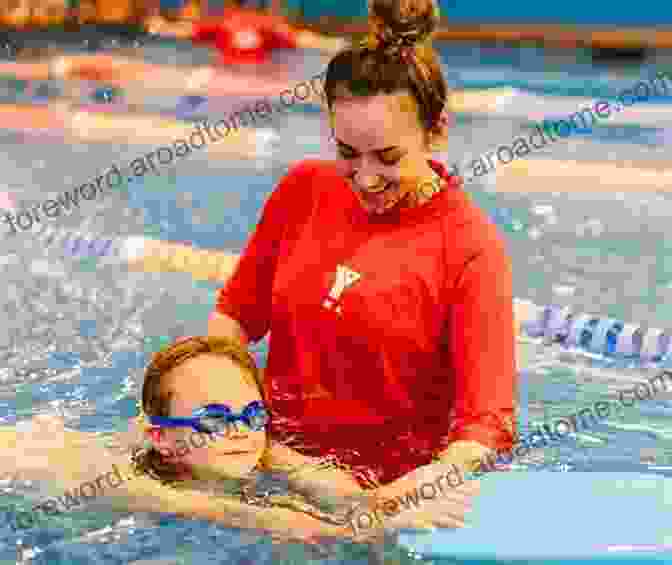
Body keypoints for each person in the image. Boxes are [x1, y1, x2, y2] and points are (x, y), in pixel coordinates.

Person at [204, 0, 516, 529]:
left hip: (380, 502)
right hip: (271, 469)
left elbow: (487, 425)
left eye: (388, 158)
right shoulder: (303, 189)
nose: (366, 178)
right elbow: (234, 318)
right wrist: (209, 402)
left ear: (436, 131)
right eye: (348, 152)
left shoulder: (470, 246)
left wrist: (426, 484)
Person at [0, 336, 477, 550]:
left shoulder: (255, 444)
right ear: (160, 440)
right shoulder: (118, 480)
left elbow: (327, 485)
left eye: (251, 414)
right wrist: (344, 532)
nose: (239, 432)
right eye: (213, 419)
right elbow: (230, 513)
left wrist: (390, 502)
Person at [145, 6, 346, 64]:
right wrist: (333, 44)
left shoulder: (222, 22)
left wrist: (162, 27)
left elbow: (187, 30)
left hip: (229, 74)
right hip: (254, 75)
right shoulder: (268, 23)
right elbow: (301, 38)